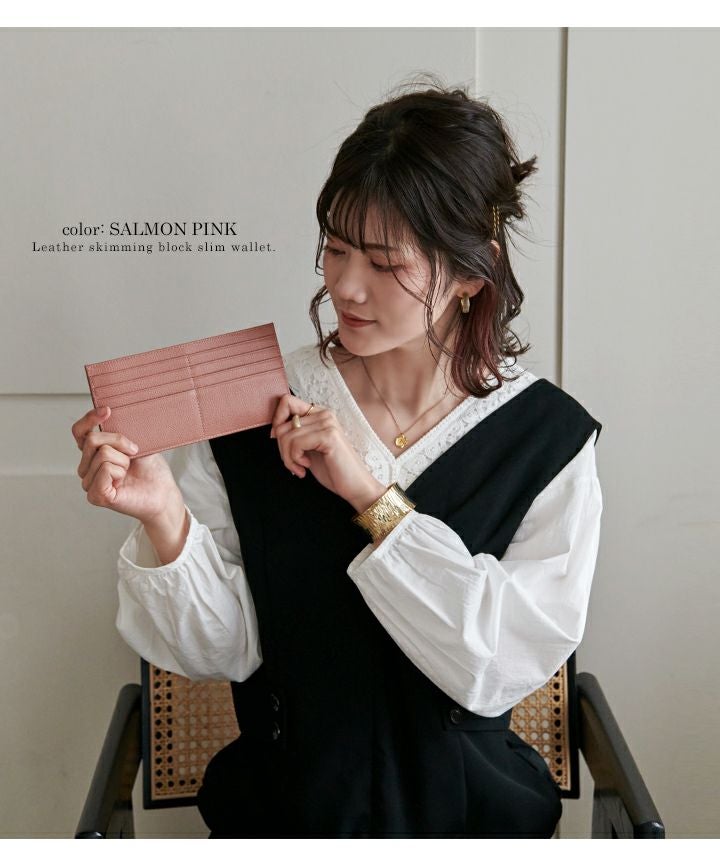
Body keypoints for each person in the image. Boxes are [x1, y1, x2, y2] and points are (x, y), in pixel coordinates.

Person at [71, 80, 603, 838]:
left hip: (472, 822)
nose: (346, 286)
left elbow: (497, 667)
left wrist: (368, 496)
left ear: (470, 273)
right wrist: (164, 516)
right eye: (336, 248)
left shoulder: (547, 440)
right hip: (286, 818)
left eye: (385, 263)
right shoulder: (255, 403)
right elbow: (223, 650)